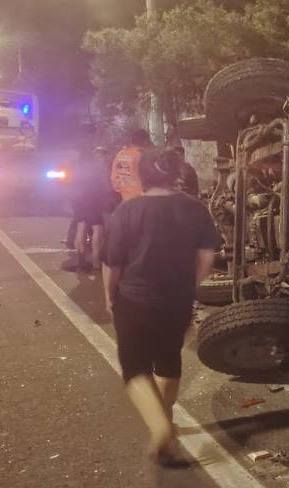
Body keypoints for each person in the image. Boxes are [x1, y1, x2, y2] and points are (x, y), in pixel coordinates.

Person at [102, 148, 221, 466]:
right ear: (174, 174)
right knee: (168, 362)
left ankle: (160, 429)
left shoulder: (128, 211)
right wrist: (189, 286)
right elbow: (207, 257)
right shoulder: (195, 208)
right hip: (177, 300)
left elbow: (112, 263)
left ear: (142, 175)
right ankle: (166, 426)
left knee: (135, 368)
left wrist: (109, 296)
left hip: (135, 298)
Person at [62, 146, 117, 272]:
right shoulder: (98, 164)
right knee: (97, 228)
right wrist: (110, 195)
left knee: (81, 227)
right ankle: (96, 263)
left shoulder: (75, 159)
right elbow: (104, 182)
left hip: (79, 196)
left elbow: (67, 178)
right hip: (94, 197)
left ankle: (81, 262)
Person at [110, 129, 151, 204]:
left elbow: (114, 178)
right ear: (145, 141)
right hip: (140, 199)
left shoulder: (120, 154)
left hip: (124, 198)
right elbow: (149, 178)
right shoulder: (141, 155)